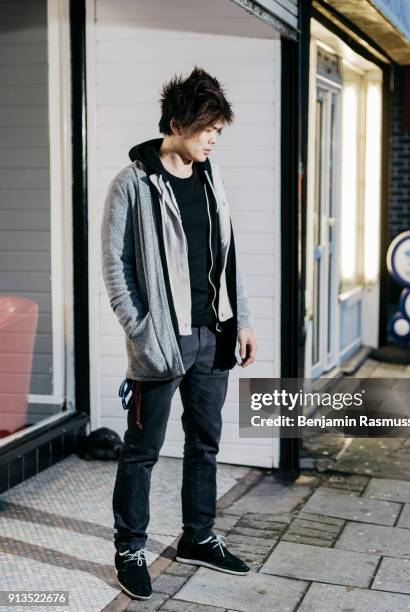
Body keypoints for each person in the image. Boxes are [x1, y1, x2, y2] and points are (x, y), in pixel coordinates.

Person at [100, 67, 257, 601]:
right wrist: (142, 332)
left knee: (204, 444)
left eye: (218, 131)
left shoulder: (211, 178)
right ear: (177, 124)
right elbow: (115, 268)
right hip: (161, 342)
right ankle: (129, 549)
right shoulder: (132, 185)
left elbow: (228, 256)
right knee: (142, 449)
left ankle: (197, 536)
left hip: (213, 337)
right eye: (208, 129)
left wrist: (244, 320)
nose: (214, 139)